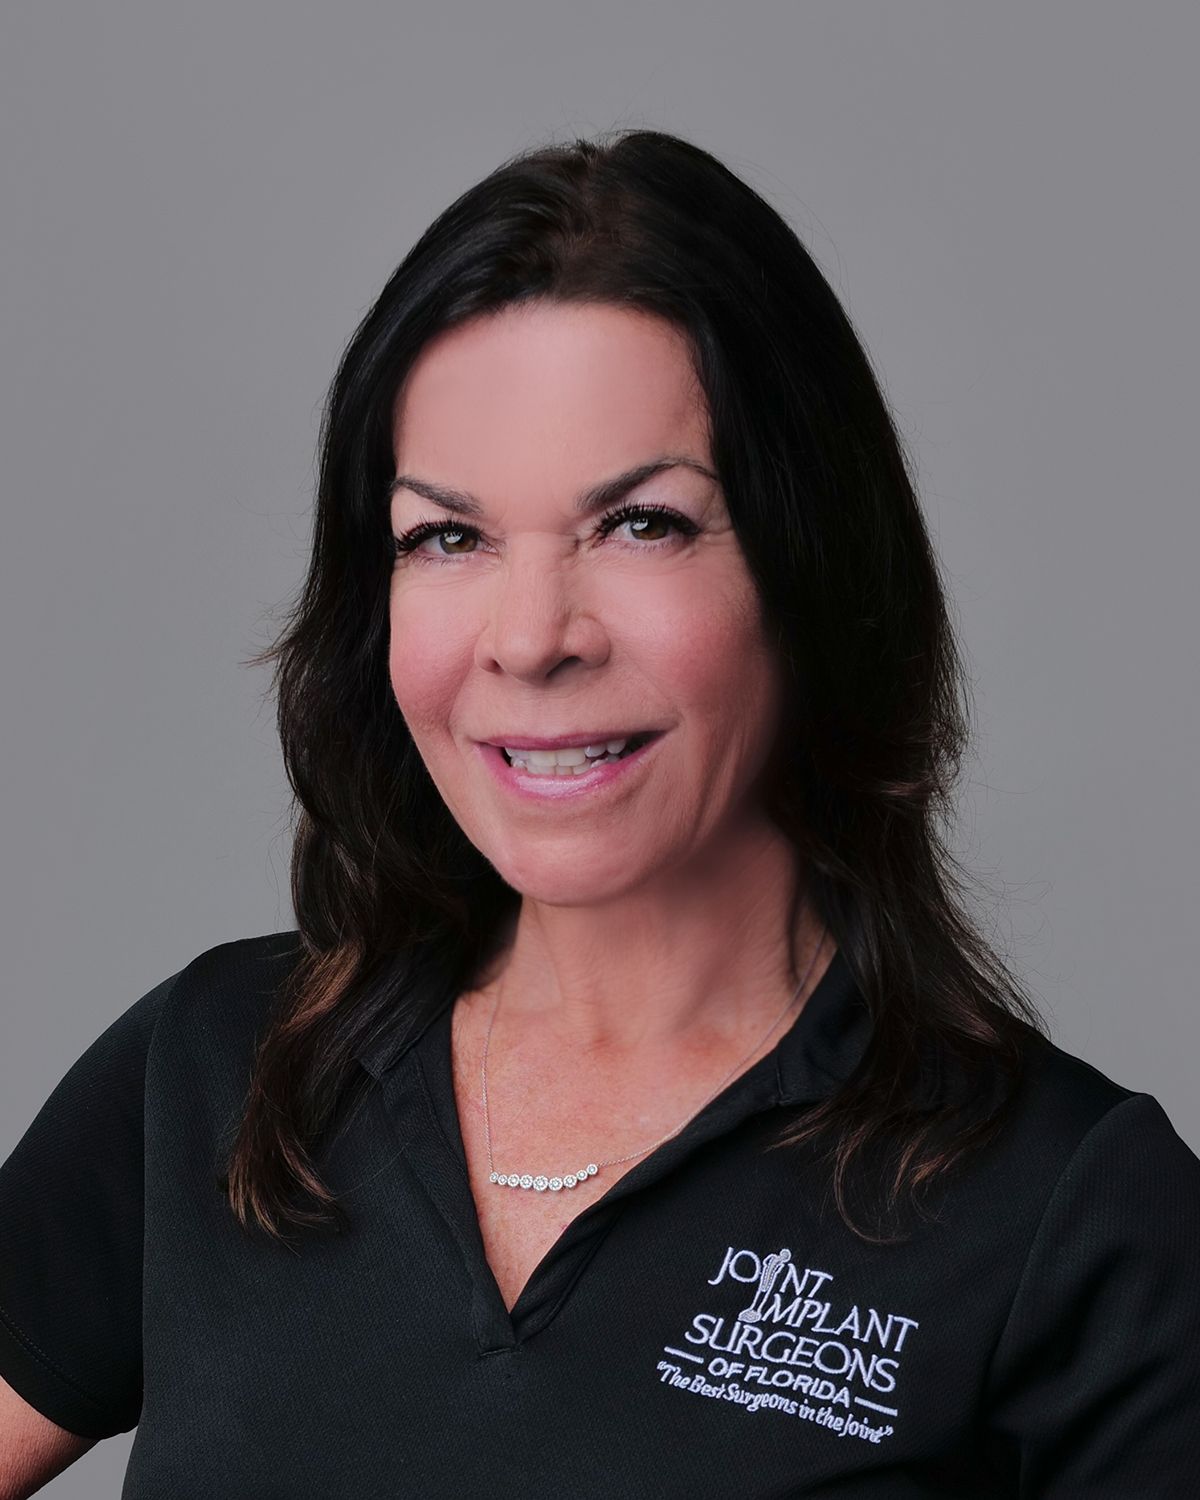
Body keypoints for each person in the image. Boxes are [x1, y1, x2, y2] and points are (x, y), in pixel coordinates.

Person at [1, 127, 1197, 1499]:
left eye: (643, 525)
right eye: (446, 536)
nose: (529, 637)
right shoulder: (219, 1075)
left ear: (814, 568)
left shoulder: (1072, 1217)